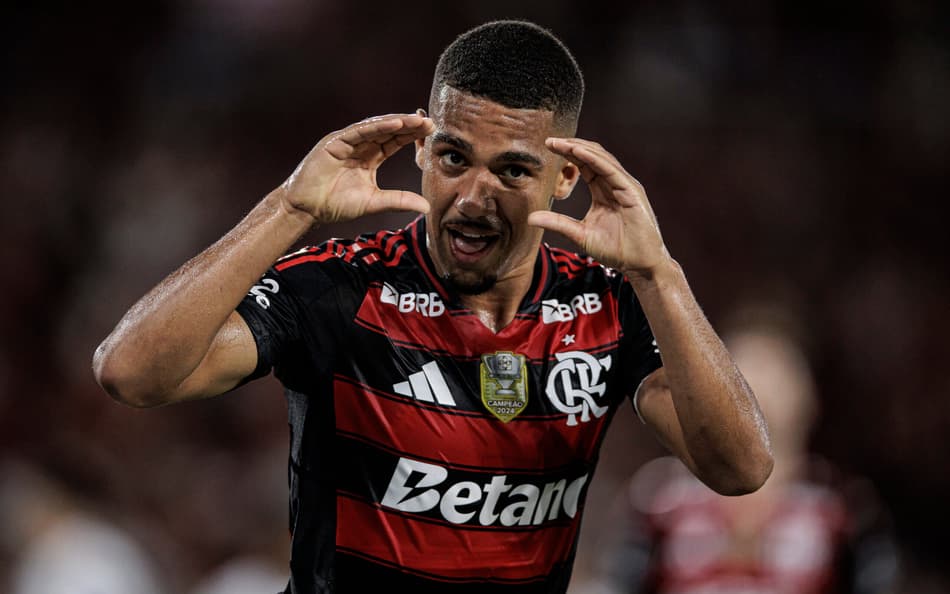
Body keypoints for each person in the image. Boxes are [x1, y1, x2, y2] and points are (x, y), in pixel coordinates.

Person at [93, 20, 772, 594]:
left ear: (565, 178)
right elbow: (131, 373)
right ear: (421, 149)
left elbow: (740, 469)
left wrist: (659, 274)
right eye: (452, 157)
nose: (472, 196)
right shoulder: (344, 287)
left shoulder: (610, 303)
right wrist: (290, 205)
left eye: (510, 170)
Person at [584, 305, 900, 594]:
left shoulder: (844, 509)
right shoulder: (659, 501)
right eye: (738, 373)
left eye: (774, 372)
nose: (756, 388)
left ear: (809, 397)